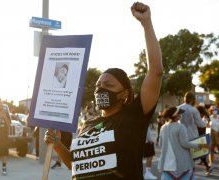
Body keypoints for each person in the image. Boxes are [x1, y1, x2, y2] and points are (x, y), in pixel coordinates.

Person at [44, 2, 163, 179]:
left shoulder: (134, 117)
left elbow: (156, 71)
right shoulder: (87, 125)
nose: (101, 89)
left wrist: (146, 23)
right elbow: (75, 165)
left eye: (109, 85)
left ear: (124, 93)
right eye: (98, 85)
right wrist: (58, 145)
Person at [157, 107, 209, 179]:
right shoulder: (180, 127)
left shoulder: (163, 127)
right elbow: (184, 143)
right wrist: (199, 145)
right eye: (179, 114)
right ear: (176, 115)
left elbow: (160, 144)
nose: (180, 115)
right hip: (181, 163)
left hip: (166, 163)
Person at [195, 105, 213, 175]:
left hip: (200, 136)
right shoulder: (204, 116)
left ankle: (207, 167)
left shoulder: (202, 117)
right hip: (202, 135)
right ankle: (207, 167)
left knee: (199, 153)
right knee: (200, 153)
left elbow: (205, 125)